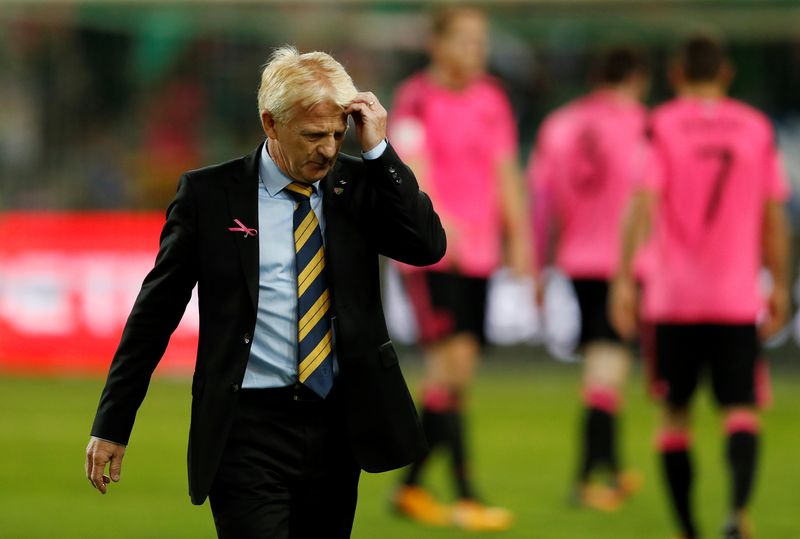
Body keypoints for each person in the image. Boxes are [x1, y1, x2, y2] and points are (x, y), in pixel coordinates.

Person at [84, 46, 446, 539]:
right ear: (270, 124)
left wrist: (380, 151)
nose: (328, 149)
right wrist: (112, 422)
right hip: (245, 430)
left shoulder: (359, 184)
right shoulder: (209, 196)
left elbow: (427, 246)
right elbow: (155, 315)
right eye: (313, 135)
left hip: (338, 425)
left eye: (338, 134)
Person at [610, 34, 790, 539]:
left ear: (676, 75)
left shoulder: (660, 124)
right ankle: (737, 513)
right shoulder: (756, 128)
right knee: (741, 409)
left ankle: (688, 529)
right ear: (726, 73)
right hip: (736, 299)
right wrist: (780, 283)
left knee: (674, 415)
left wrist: (623, 280)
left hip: (673, 299)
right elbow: (773, 217)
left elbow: (642, 205)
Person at [388, 6, 531, 532]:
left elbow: (505, 171)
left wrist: (521, 239)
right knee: (450, 367)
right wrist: (440, 222)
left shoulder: (492, 99)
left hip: (481, 254)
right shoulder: (415, 98)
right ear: (438, 44)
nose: (477, 50)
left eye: (480, 41)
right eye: (466, 40)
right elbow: (412, 168)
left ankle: (410, 488)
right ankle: (467, 496)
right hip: (432, 252)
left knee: (455, 377)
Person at [528, 46, 649, 511]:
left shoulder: (559, 124)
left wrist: (539, 265)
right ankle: (587, 478)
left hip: (578, 258)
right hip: (627, 262)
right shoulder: (643, 125)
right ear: (636, 78)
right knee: (607, 363)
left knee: (606, 359)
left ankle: (612, 468)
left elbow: (542, 202)